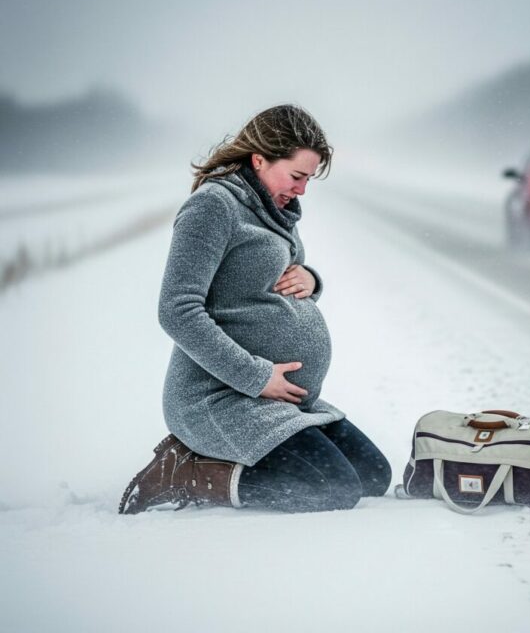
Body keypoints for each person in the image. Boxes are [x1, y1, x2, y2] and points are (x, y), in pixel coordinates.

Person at [119, 104, 391, 514]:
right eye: (297, 176)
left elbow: (278, 280)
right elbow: (177, 310)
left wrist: (312, 280)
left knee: (373, 476)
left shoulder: (273, 209)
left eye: (309, 179)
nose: (302, 190)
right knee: (333, 488)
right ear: (259, 159)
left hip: (279, 400)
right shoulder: (212, 207)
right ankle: (186, 473)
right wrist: (255, 376)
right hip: (220, 396)